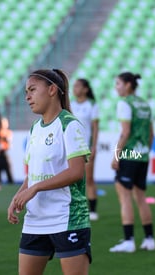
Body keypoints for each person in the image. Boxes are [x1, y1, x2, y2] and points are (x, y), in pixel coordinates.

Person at [7, 69, 91, 275]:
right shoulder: (35, 127)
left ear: (52, 90)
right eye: (26, 91)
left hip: (67, 218)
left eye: (32, 90)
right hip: (35, 219)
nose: (27, 97)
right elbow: (33, 174)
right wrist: (18, 195)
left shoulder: (69, 125)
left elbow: (76, 172)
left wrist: (35, 188)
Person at [109, 72, 155, 253]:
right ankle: (149, 239)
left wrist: (116, 155)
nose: (116, 87)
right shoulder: (144, 104)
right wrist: (144, 152)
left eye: (118, 83)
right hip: (142, 155)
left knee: (125, 196)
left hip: (129, 155)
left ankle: (128, 241)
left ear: (128, 85)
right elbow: (151, 135)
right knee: (141, 198)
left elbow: (125, 132)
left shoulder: (124, 103)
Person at [71, 78, 100, 221]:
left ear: (85, 89)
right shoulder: (70, 105)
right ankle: (76, 209)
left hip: (86, 147)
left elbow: (95, 128)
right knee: (72, 180)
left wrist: (94, 146)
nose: (74, 89)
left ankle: (93, 210)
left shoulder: (92, 104)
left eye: (77, 86)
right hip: (71, 148)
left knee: (88, 179)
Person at [0, 117, 14, 186]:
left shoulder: (8, 133)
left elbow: (9, 143)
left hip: (5, 154)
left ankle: (11, 183)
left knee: (8, 171)